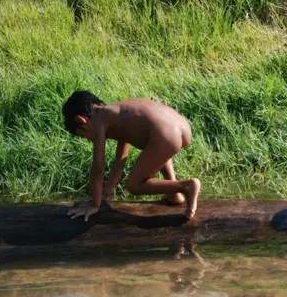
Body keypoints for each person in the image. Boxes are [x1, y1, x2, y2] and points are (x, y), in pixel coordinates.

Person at [62, 90, 200, 221]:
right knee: (157, 148)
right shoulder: (118, 113)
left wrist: (94, 204)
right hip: (180, 126)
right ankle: (174, 195)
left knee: (134, 185)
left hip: (166, 134)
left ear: (81, 120)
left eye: (84, 136)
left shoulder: (99, 121)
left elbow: (98, 167)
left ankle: (186, 186)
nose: (89, 140)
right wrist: (106, 192)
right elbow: (121, 159)